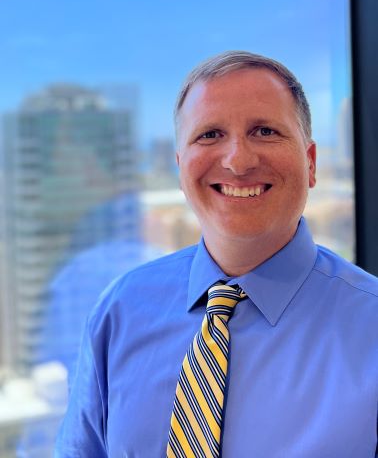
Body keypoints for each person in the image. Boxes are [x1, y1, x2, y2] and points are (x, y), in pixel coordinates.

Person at [55, 51, 378, 457]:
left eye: (264, 131)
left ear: (310, 163)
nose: (238, 161)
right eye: (209, 135)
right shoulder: (119, 311)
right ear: (180, 167)